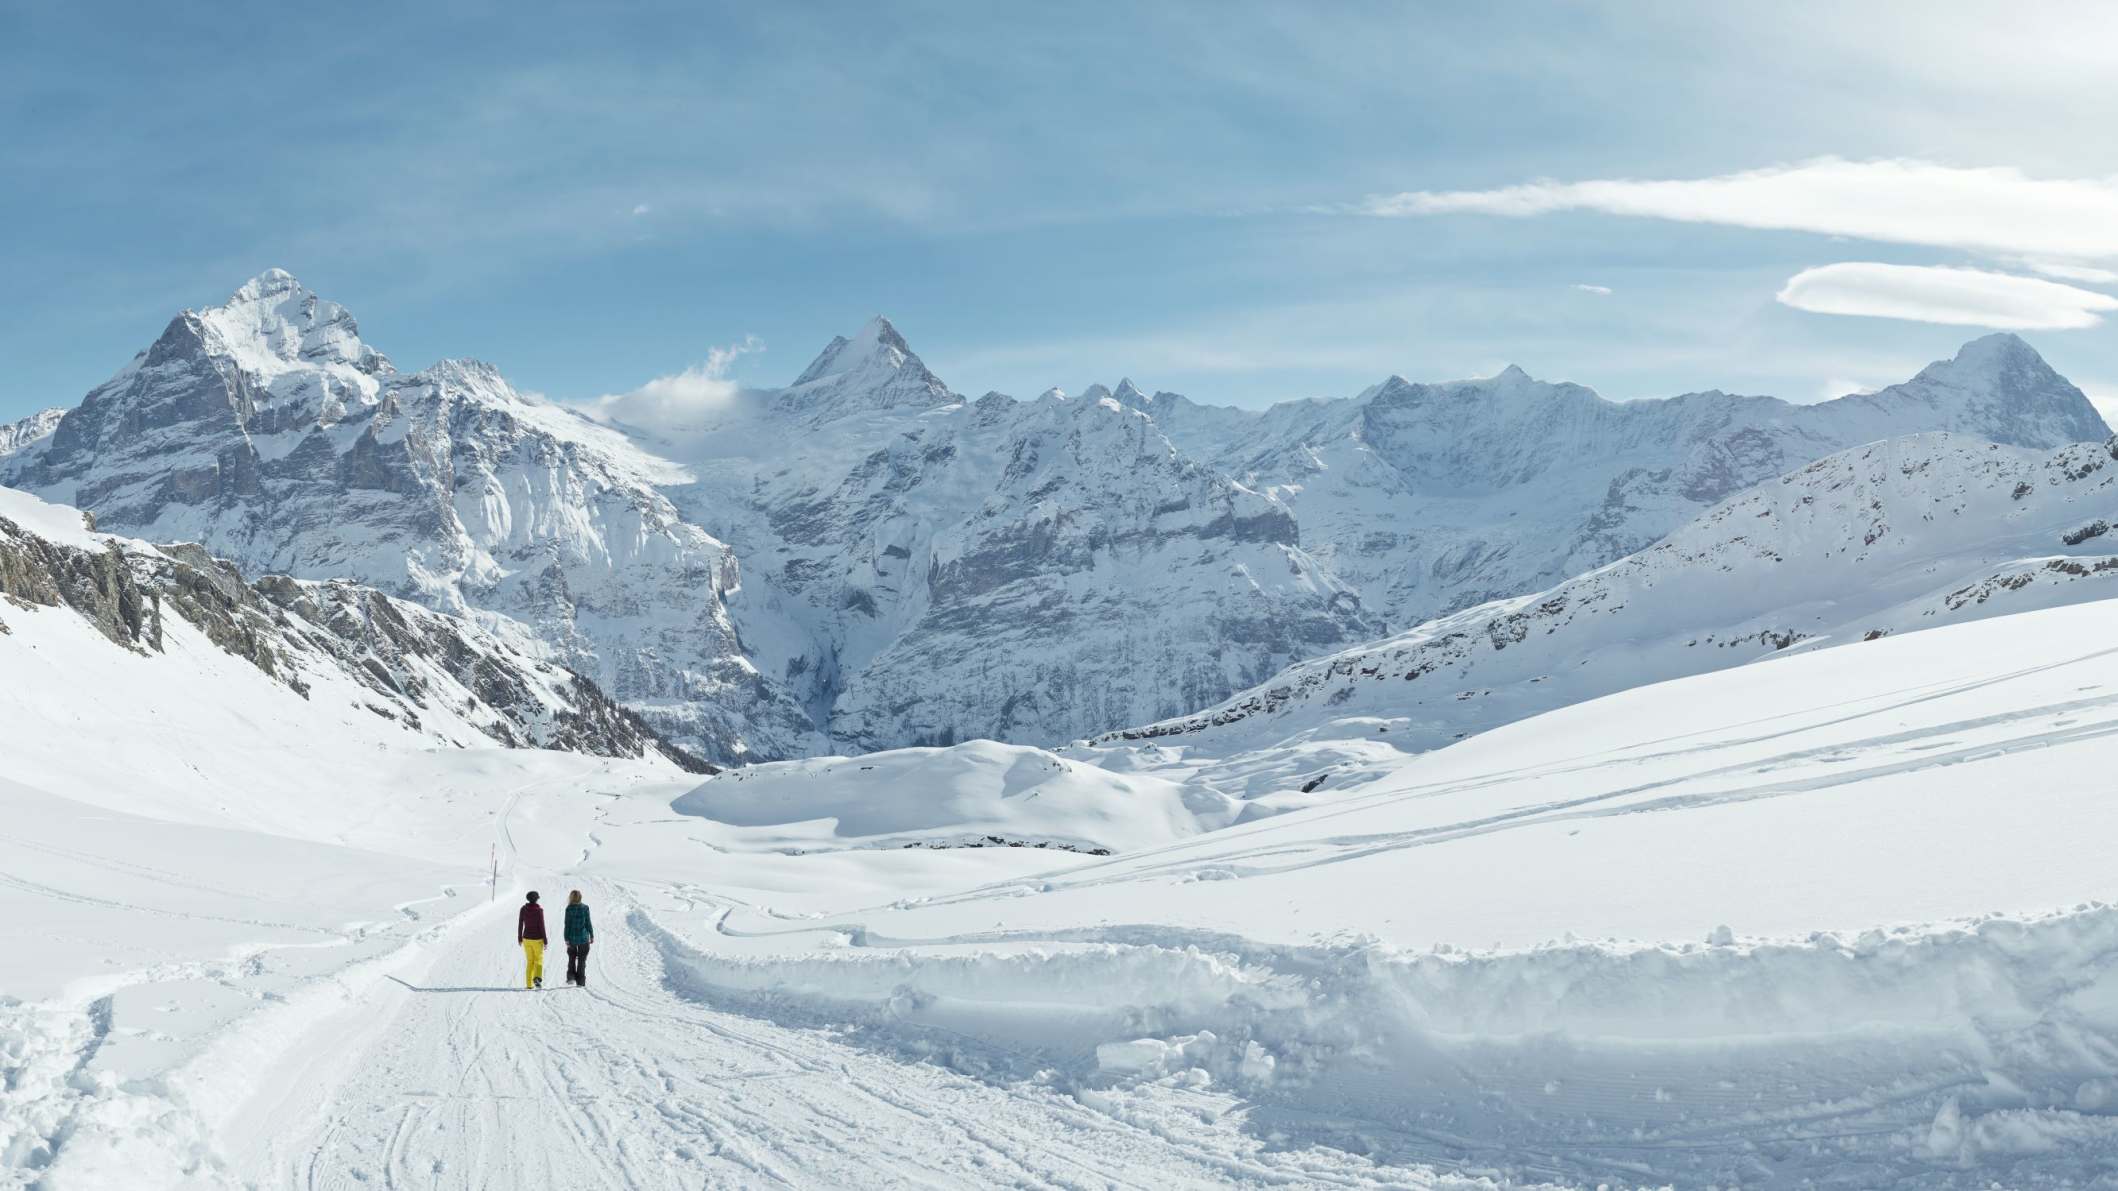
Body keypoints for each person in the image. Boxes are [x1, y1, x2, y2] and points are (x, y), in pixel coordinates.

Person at [563, 889, 595, 986]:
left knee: (571, 958)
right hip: (584, 938)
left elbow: (567, 924)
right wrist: (592, 935)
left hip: (572, 938)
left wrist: (566, 938)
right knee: (582, 960)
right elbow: (588, 922)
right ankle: (581, 982)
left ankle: (571, 977)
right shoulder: (585, 908)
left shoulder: (568, 909)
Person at [518, 891, 547, 989]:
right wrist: (545, 940)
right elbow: (542, 926)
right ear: (537, 899)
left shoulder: (523, 909)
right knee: (538, 959)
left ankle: (529, 985)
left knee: (530, 961)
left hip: (526, 939)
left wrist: (519, 938)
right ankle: (537, 978)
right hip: (537, 939)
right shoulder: (539, 910)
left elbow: (520, 924)